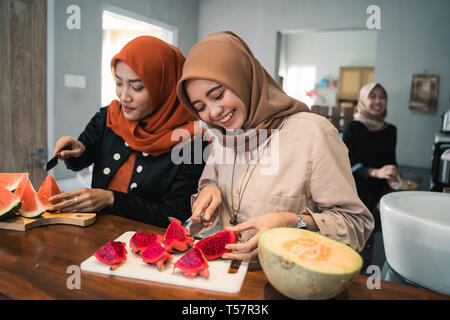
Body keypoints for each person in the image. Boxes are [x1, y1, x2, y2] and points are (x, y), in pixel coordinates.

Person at [176, 31, 374, 265]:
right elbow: (211, 183)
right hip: (226, 278)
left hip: (288, 281)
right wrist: (210, 191)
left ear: (244, 77)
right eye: (201, 107)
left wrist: (295, 222)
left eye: (218, 95)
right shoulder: (226, 136)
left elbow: (357, 226)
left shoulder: (313, 133)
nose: (215, 112)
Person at [49, 36, 207, 228]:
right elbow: (79, 162)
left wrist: (113, 200)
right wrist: (77, 150)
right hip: (94, 235)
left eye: (137, 87)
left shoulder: (194, 145)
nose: (123, 96)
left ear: (165, 88)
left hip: (146, 248)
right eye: (118, 83)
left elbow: (172, 217)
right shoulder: (109, 115)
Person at [342, 83, 397, 220]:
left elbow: (391, 160)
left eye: (382, 97)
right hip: (355, 194)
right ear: (363, 100)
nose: (378, 101)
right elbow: (347, 164)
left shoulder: (391, 130)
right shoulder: (352, 128)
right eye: (372, 96)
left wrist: (394, 172)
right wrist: (375, 172)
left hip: (380, 196)